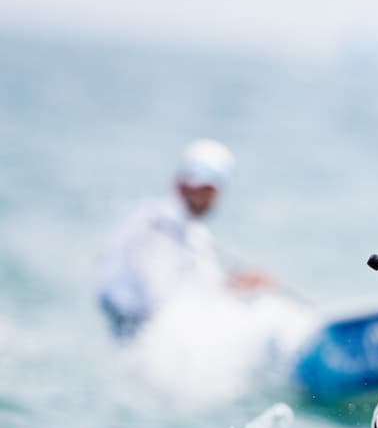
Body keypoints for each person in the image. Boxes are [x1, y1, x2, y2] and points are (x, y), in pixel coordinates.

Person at [97, 139, 270, 340]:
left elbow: (202, 286)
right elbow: (162, 297)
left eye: (208, 190)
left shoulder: (192, 232)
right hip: (142, 334)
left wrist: (238, 284)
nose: (202, 197)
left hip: (148, 331)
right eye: (197, 188)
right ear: (179, 185)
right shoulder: (157, 225)